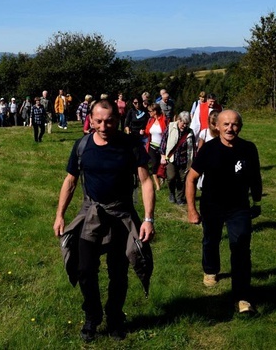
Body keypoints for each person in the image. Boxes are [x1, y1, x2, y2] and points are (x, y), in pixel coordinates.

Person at [54, 100, 155, 342]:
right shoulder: (83, 146)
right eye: (98, 120)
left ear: (117, 120)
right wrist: (60, 215)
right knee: (85, 269)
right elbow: (70, 182)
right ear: (90, 119)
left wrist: (148, 218)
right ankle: (92, 316)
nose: (103, 125)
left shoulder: (130, 145)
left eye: (109, 120)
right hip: (91, 214)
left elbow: (146, 181)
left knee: (118, 271)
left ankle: (115, 318)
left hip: (121, 215)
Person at [185, 110, 262, 315]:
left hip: (239, 207)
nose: (230, 128)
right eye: (226, 124)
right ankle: (210, 270)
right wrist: (191, 210)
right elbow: (191, 179)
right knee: (211, 239)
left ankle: (243, 297)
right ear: (217, 126)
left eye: (235, 124)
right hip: (212, 206)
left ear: (240, 127)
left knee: (241, 247)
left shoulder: (248, 149)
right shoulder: (209, 150)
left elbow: (255, 176)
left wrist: (257, 200)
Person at [159, 112, 195, 205]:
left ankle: (180, 198)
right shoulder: (171, 127)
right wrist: (162, 155)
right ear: (179, 120)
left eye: (187, 123)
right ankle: (171, 193)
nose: (185, 125)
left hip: (184, 159)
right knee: (171, 177)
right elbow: (163, 140)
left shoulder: (190, 132)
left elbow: (193, 147)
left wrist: (192, 160)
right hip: (171, 158)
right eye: (183, 123)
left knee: (182, 179)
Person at [145, 103, 168, 191]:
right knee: (154, 164)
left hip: (162, 146)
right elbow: (148, 131)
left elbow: (166, 132)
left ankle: (162, 177)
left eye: (150, 111)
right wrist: (144, 132)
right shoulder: (150, 120)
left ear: (155, 111)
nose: (149, 113)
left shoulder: (164, 119)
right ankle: (157, 185)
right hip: (152, 146)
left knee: (162, 165)